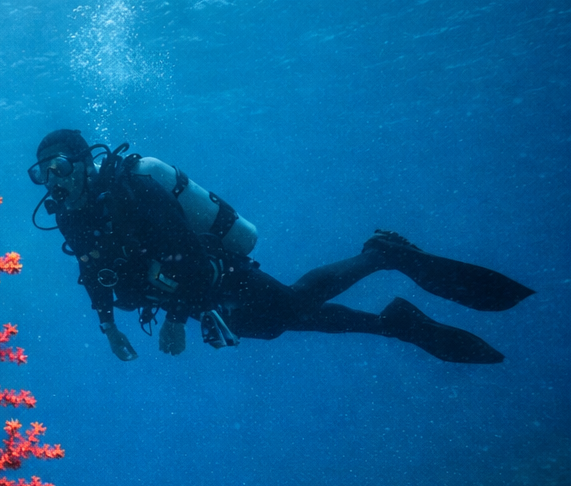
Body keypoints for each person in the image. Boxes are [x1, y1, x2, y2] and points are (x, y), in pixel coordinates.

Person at [28, 129, 533, 363]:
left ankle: (381, 257)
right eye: (42, 173)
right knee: (275, 324)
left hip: (210, 274)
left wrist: (178, 319)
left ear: (84, 163)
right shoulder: (70, 215)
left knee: (292, 305)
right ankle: (392, 322)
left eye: (60, 167)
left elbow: (188, 255)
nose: (53, 181)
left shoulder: (133, 190)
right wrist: (108, 325)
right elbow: (93, 271)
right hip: (180, 294)